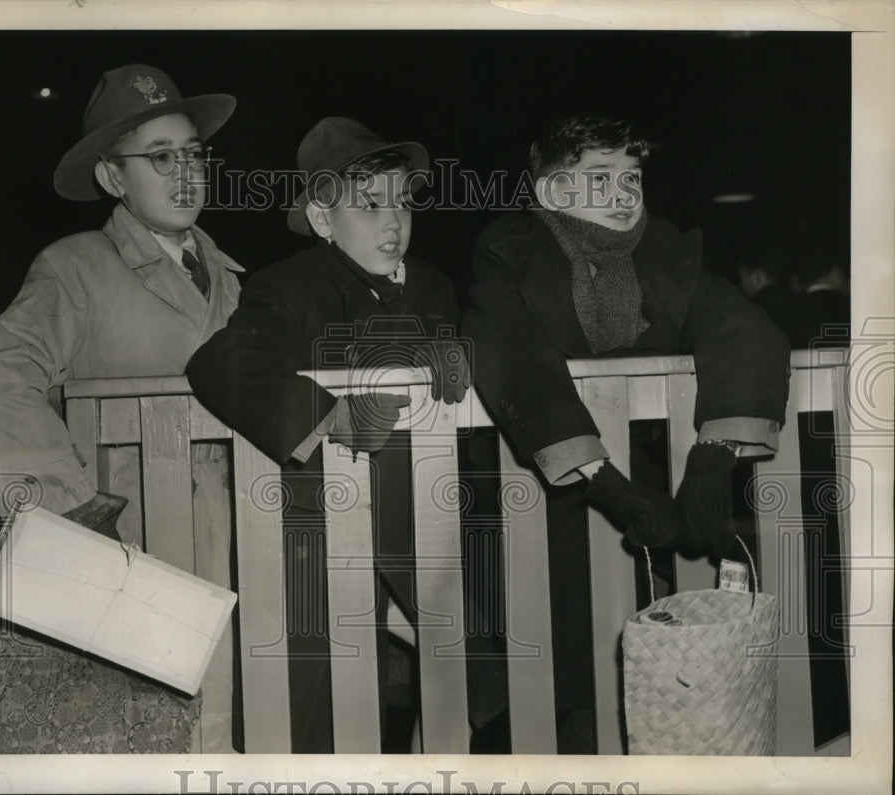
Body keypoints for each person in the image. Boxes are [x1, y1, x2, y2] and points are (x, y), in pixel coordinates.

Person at [462, 113, 790, 750]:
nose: (623, 195)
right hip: (534, 491)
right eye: (600, 177)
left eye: (632, 177)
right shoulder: (509, 250)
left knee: (651, 654)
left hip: (650, 487)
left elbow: (744, 330)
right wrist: (600, 477)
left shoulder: (665, 248)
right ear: (554, 193)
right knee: (564, 670)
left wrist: (713, 457)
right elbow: (510, 350)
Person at [0, 64, 244, 753]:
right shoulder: (75, 267)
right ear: (114, 179)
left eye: (194, 154)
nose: (185, 173)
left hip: (230, 551)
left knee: (220, 738)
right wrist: (79, 523)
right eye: (160, 157)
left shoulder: (233, 279)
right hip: (129, 565)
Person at [187, 117, 505, 752]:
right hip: (325, 534)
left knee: (469, 691)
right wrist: (328, 412)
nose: (394, 222)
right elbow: (221, 362)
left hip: (429, 531)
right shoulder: (291, 285)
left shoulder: (435, 286)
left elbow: (473, 358)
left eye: (403, 203)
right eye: (368, 205)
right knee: (315, 721)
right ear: (323, 219)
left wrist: (459, 351)